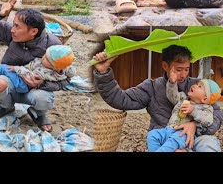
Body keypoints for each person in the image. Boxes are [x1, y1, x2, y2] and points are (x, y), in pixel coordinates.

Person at [93, 45, 222, 152]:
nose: (183, 74)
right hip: (165, 137)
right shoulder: (152, 87)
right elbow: (121, 100)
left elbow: (216, 115)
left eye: (187, 69)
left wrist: (195, 125)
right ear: (165, 66)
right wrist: (103, 73)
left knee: (209, 144)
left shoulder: (198, 86)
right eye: (178, 69)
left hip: (196, 136)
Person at [0, 0, 69, 132]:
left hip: (36, 91)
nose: (12, 30)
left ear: (33, 31)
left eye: (17, 26)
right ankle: (6, 106)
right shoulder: (12, 35)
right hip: (13, 81)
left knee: (42, 98)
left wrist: (42, 84)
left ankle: (39, 114)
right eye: (13, 25)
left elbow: (66, 79)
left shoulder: (53, 45)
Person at [147, 69, 221, 152]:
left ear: (204, 99)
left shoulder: (206, 108)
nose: (194, 85)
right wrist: (172, 83)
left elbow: (208, 120)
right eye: (197, 84)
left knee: (173, 141)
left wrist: (193, 111)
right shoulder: (183, 98)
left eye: (199, 87)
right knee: (152, 134)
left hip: (184, 134)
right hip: (169, 129)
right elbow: (172, 96)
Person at [0, 45, 75, 93]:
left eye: (46, 58)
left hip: (23, 85)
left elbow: (27, 74)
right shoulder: (63, 70)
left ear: (54, 66)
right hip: (27, 85)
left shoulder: (43, 72)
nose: (43, 57)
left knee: (3, 68)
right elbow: (70, 71)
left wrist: (16, 68)